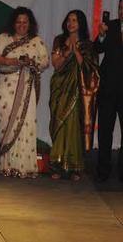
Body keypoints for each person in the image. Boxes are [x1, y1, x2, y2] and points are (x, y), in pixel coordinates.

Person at [0, 7, 49, 178]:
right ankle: (6, 165)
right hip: (5, 87)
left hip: (26, 89)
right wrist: (12, 61)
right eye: (18, 22)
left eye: (25, 22)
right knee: (6, 123)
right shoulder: (3, 38)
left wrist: (31, 62)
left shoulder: (36, 41)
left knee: (25, 125)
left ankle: (24, 167)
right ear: (13, 23)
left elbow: (45, 62)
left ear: (30, 24)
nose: (21, 25)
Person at [49, 10, 99, 181]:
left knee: (74, 126)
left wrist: (76, 50)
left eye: (75, 20)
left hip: (78, 90)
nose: (71, 23)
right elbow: (55, 65)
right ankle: (57, 165)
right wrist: (67, 52)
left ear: (81, 23)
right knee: (60, 124)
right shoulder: (59, 40)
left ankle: (75, 167)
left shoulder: (87, 45)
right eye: (69, 20)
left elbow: (89, 69)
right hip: (60, 89)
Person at [94, 0, 123, 183]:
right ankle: (103, 171)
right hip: (107, 89)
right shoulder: (110, 26)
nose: (122, 12)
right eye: (120, 8)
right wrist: (101, 35)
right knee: (105, 132)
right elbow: (97, 48)